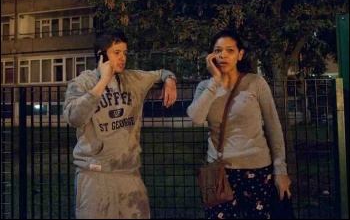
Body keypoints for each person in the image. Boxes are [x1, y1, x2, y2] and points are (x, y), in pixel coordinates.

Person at [63, 30, 177, 219]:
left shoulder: (132, 79)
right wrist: (104, 80)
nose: (123, 58)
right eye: (116, 52)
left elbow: (161, 73)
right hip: (94, 175)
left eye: (125, 52)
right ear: (101, 55)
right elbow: (74, 117)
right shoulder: (83, 82)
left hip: (129, 173)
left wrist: (170, 80)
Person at [186, 30, 291, 219]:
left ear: (240, 54)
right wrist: (215, 81)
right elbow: (196, 118)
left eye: (230, 50)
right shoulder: (206, 86)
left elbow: (273, 127)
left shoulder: (255, 82)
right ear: (211, 56)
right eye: (218, 50)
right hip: (220, 173)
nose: (223, 55)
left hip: (257, 169)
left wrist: (280, 170)